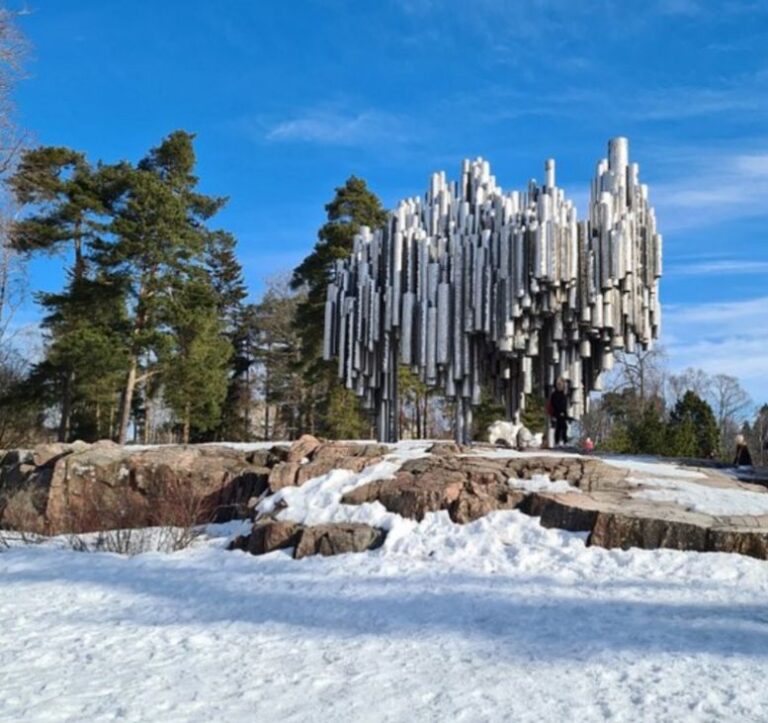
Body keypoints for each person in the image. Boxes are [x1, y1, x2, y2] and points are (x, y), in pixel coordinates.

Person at [549, 378, 569, 447]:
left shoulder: (563, 394)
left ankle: (562, 441)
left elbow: (565, 404)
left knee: (563, 427)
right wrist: (559, 411)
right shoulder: (555, 394)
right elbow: (555, 404)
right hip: (558, 413)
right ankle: (558, 441)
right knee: (559, 427)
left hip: (562, 413)